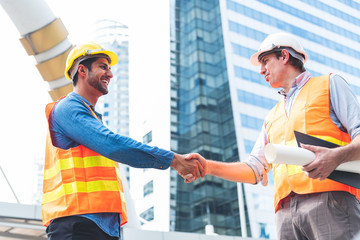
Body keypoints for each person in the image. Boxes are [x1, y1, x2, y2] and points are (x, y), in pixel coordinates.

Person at [186, 32, 360, 239]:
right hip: (285, 213)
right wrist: (207, 167)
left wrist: (336, 157)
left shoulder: (329, 84)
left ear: (284, 56)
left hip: (330, 199)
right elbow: (254, 169)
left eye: (265, 61)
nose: (261, 71)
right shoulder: (272, 116)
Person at [42, 42, 205, 240]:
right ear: (82, 70)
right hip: (75, 223)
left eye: (110, 69)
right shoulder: (66, 108)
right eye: (103, 66)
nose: (110, 74)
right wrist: (172, 159)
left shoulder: (92, 117)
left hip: (101, 227)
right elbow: (111, 144)